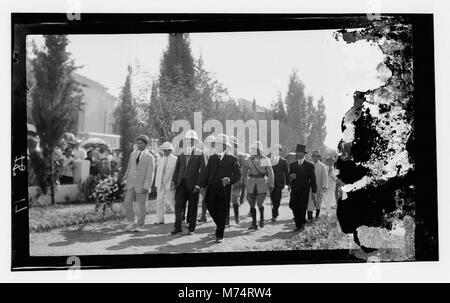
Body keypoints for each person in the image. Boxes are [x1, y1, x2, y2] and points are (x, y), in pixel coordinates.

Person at [198, 134, 241, 243]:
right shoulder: (212, 158)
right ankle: (220, 224)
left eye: (217, 144)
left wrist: (229, 179)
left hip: (224, 190)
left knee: (222, 211)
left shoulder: (232, 159)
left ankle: (219, 234)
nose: (215, 146)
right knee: (210, 206)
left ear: (223, 145)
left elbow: (238, 174)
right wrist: (200, 185)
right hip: (212, 188)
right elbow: (206, 174)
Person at [170, 130, 205, 235]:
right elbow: (177, 169)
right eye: (187, 140)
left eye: (191, 140)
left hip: (194, 185)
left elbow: (203, 171)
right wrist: (173, 180)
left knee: (193, 206)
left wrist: (199, 185)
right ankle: (177, 227)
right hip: (180, 184)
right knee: (178, 205)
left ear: (195, 141)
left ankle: (191, 228)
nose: (189, 142)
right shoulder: (182, 153)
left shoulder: (200, 153)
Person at [123, 135, 155, 232]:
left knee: (141, 205)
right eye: (138, 143)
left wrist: (147, 185)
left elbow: (151, 173)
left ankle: (140, 224)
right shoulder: (133, 154)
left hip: (142, 185)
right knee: (127, 202)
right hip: (131, 182)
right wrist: (125, 179)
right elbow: (129, 167)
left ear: (145, 144)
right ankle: (131, 221)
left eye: (141, 143)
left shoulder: (150, 157)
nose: (139, 145)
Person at [242, 141, 274, 230]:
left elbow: (270, 173)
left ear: (258, 150)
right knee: (251, 204)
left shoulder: (264, 159)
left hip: (261, 183)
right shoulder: (249, 160)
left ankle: (262, 218)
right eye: (251, 149)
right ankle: (254, 222)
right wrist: (244, 181)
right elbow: (244, 171)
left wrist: (271, 185)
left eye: (253, 149)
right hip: (251, 183)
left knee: (260, 203)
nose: (251, 150)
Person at [288, 144, 317, 232]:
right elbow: (289, 176)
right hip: (294, 189)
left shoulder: (309, 165)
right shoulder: (292, 165)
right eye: (297, 152)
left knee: (302, 206)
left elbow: (313, 179)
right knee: (292, 205)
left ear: (304, 154)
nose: (298, 154)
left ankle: (300, 225)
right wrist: (290, 176)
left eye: (300, 153)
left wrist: (314, 191)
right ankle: (299, 223)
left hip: (305, 189)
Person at [154, 142, 177, 224]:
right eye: (163, 150)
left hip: (170, 184)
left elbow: (176, 173)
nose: (164, 152)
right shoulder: (161, 160)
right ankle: (160, 219)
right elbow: (158, 173)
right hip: (161, 184)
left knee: (172, 201)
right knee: (159, 201)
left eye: (166, 150)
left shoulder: (175, 160)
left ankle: (179, 218)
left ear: (170, 150)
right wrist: (157, 184)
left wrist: (174, 183)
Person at [267, 144, 290, 222]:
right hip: (271, 183)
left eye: (278, 150)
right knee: (273, 198)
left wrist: (288, 184)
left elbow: (286, 173)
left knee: (277, 198)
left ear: (280, 152)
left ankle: (274, 215)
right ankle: (275, 211)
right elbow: (266, 172)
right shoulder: (269, 160)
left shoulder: (283, 161)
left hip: (280, 183)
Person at [227, 136, 246, 225]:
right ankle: (226, 219)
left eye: (233, 144)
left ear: (235, 145)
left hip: (236, 182)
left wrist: (243, 183)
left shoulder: (240, 156)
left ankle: (237, 216)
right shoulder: (225, 155)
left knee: (235, 200)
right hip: (226, 182)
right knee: (225, 201)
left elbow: (242, 170)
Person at [198, 135, 216, 223]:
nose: (212, 144)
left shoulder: (215, 153)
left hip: (213, 178)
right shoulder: (206, 153)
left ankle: (206, 215)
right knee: (205, 197)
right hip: (207, 178)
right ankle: (204, 215)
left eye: (213, 143)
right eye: (211, 143)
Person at [307, 150, 328, 221]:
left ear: (319, 157)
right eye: (313, 156)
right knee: (310, 201)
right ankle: (310, 217)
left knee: (319, 201)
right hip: (311, 187)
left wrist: (325, 186)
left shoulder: (322, 166)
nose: (314, 157)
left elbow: (325, 177)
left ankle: (317, 215)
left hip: (319, 186)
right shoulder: (309, 165)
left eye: (316, 156)